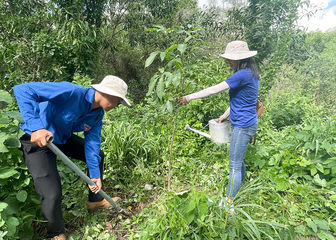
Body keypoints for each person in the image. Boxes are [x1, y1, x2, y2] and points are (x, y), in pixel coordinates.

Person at [14, 75, 131, 240]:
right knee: (52, 193)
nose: (117, 106)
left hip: (60, 138)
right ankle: (55, 233)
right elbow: (22, 89)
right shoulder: (71, 92)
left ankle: (94, 201)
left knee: (97, 156)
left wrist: (95, 175)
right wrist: (36, 127)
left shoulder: (96, 115)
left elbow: (92, 145)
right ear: (110, 94)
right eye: (118, 102)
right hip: (36, 140)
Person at [178, 40, 259, 211]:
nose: (229, 63)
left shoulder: (242, 74)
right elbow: (240, 101)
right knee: (239, 160)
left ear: (241, 59)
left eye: (231, 59)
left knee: (234, 165)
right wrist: (224, 116)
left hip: (243, 126)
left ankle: (228, 203)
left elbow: (214, 89)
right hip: (248, 123)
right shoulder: (252, 74)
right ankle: (241, 188)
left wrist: (189, 97)